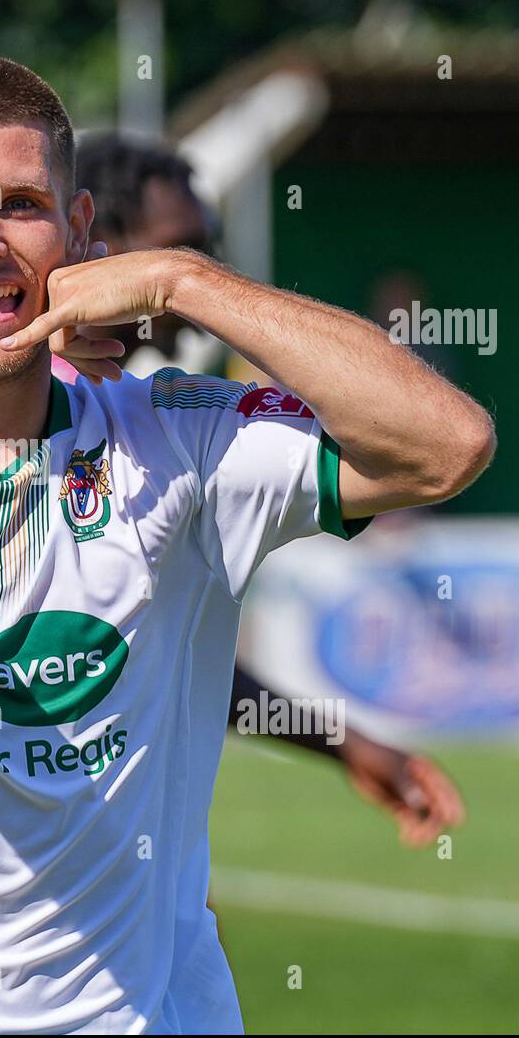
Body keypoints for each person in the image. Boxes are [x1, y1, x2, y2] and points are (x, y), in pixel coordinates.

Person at [0, 53, 495, 1033]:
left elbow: (447, 445)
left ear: (81, 230)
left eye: (20, 206)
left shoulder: (178, 438)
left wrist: (184, 279)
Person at [74, 133, 466, 849]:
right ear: (97, 245)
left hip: (123, 878)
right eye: (182, 250)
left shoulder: (179, 419)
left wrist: (344, 744)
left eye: (209, 251)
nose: (204, 277)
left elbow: (447, 445)